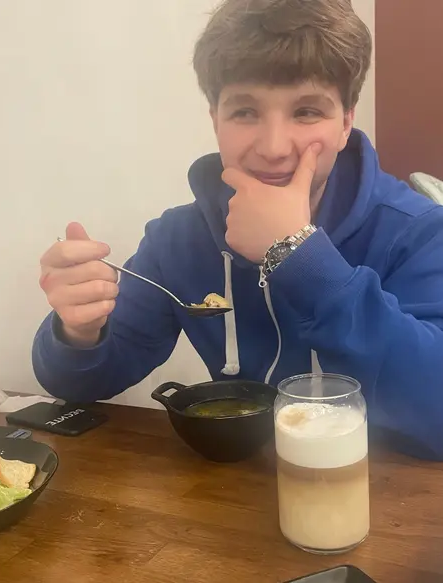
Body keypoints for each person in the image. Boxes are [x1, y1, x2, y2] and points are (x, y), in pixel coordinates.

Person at [33, 0, 443, 459]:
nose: (274, 148)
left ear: (346, 122)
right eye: (245, 112)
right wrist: (79, 331)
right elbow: (82, 383)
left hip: (379, 489)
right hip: (234, 485)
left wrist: (299, 257)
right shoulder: (177, 239)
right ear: (215, 120)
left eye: (307, 111)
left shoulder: (419, 231)